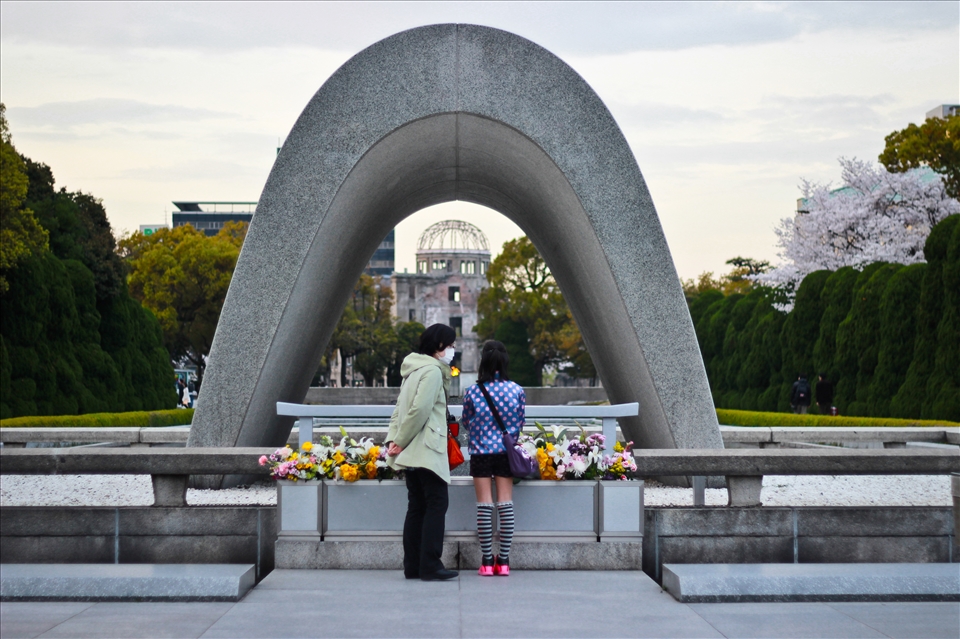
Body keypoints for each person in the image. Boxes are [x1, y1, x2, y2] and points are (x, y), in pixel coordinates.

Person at [386, 323, 458, 582]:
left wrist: (394, 441)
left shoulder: (411, 370)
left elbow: (399, 410)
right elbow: (420, 410)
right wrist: (401, 441)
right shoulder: (433, 372)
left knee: (416, 506)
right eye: (450, 345)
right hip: (427, 448)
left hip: (410, 450)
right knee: (437, 504)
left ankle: (413, 565)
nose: (452, 350)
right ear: (438, 346)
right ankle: (430, 564)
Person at [460, 340, 525, 577]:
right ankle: (504, 561)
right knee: (505, 505)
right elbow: (519, 423)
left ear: (483, 362)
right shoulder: (516, 390)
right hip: (505, 454)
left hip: (480, 453)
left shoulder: (473, 391)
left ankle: (487, 561)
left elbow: (466, 421)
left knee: (484, 506)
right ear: (505, 361)